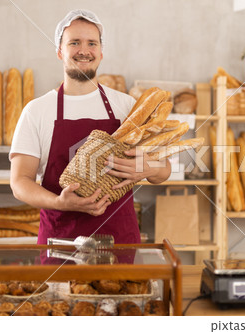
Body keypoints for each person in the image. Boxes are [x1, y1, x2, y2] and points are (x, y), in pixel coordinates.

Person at [9, 9, 171, 245]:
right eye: (74, 42)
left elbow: (165, 169)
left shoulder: (127, 107)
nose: (84, 50)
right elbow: (20, 182)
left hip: (119, 243)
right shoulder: (37, 111)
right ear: (59, 51)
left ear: (101, 52)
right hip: (61, 244)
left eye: (91, 43)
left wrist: (149, 169)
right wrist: (58, 203)